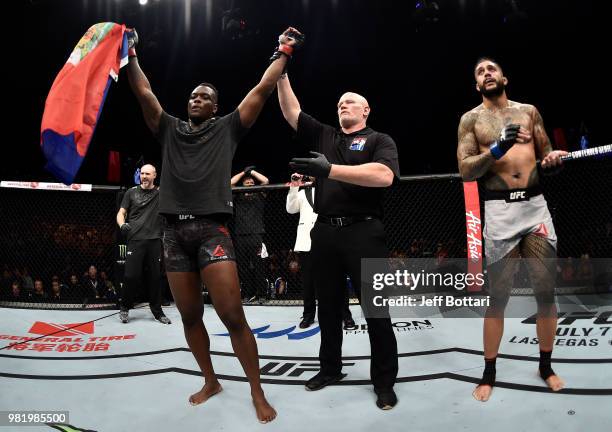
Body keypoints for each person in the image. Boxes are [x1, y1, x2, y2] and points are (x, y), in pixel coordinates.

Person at [124, 26, 303, 423]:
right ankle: (211, 380)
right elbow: (144, 92)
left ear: (215, 107)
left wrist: (285, 50)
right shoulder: (169, 128)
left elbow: (261, 88)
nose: (196, 99)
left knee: (232, 314)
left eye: (205, 96)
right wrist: (131, 54)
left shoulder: (228, 128)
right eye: (192, 95)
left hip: (212, 231)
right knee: (189, 316)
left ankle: (257, 390)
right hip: (173, 234)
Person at [277, 74, 400, 410]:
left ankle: (384, 382)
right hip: (325, 231)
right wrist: (282, 71)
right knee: (328, 309)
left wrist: (329, 169)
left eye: (350, 102)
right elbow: (291, 111)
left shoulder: (379, 140)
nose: (343, 105)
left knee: (377, 311)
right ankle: (330, 369)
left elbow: (384, 176)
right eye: (339, 103)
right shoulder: (326, 135)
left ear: (366, 110)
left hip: (364, 231)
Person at [457, 57, 568, 402]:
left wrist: (553, 162)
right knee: (498, 298)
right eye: (480, 72)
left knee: (546, 292)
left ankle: (546, 367)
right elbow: (466, 170)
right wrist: (498, 147)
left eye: (492, 69)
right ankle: (488, 373)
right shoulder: (471, 120)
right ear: (477, 85)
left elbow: (547, 156)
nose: (487, 74)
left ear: (504, 76)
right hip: (500, 213)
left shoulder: (529, 112)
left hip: (534, 208)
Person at [285, 173, 354, 329]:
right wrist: (294, 186)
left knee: (338, 281)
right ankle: (308, 316)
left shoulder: (334, 190)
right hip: (307, 242)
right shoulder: (302, 193)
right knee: (308, 283)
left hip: (330, 240)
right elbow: (290, 209)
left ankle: (345, 315)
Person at [116, 164, 170, 324]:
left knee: (155, 278)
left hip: (154, 241)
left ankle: (158, 312)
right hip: (135, 239)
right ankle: (125, 307)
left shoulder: (160, 193)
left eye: (148, 174)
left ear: (154, 176)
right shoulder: (131, 192)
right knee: (131, 276)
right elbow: (121, 212)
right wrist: (122, 224)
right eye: (142, 173)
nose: (144, 176)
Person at [231, 167, 269, 301]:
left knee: (259, 265)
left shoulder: (259, 195)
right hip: (240, 234)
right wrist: (243, 173)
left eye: (252, 183)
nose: (249, 184)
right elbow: (230, 183)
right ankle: (248, 293)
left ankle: (262, 294)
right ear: (242, 185)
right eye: (247, 183)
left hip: (256, 233)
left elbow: (265, 181)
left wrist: (252, 172)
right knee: (243, 267)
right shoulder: (237, 196)